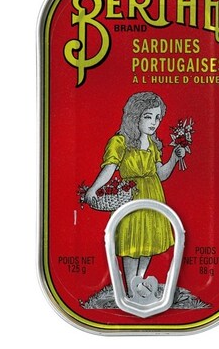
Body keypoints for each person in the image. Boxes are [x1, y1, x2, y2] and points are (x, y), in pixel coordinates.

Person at [85, 92, 185, 297]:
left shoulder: (153, 144)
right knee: (132, 243)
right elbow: (109, 168)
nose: (154, 122)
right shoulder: (120, 141)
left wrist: (174, 158)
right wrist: (93, 188)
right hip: (132, 196)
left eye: (157, 117)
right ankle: (131, 287)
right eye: (148, 116)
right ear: (135, 116)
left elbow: (161, 174)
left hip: (154, 196)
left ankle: (139, 281)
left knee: (148, 241)